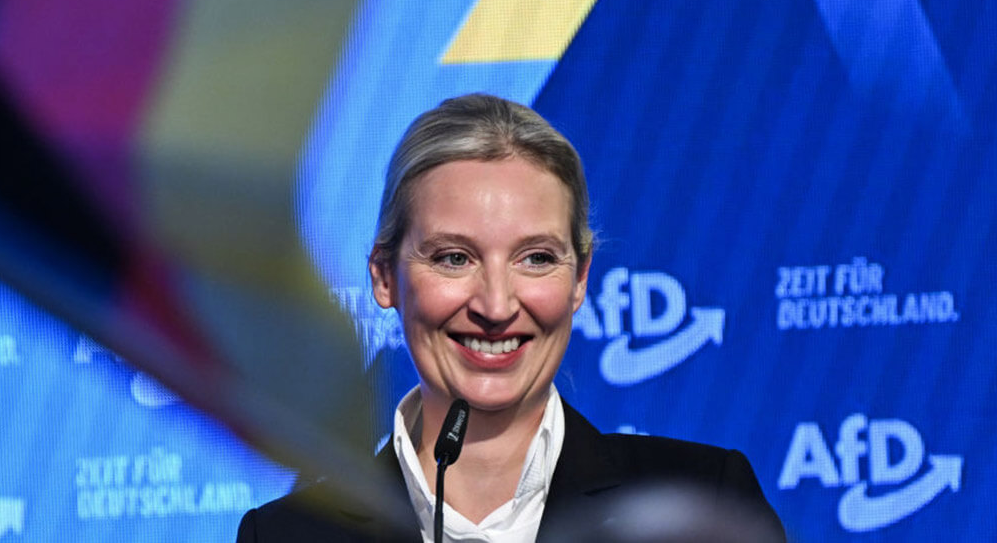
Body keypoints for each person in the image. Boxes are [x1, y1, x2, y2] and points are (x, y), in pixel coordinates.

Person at [238, 94, 785, 542]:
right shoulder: (287, 536)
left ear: (580, 279)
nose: (496, 307)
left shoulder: (703, 504)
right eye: (454, 257)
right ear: (384, 276)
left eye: (536, 258)